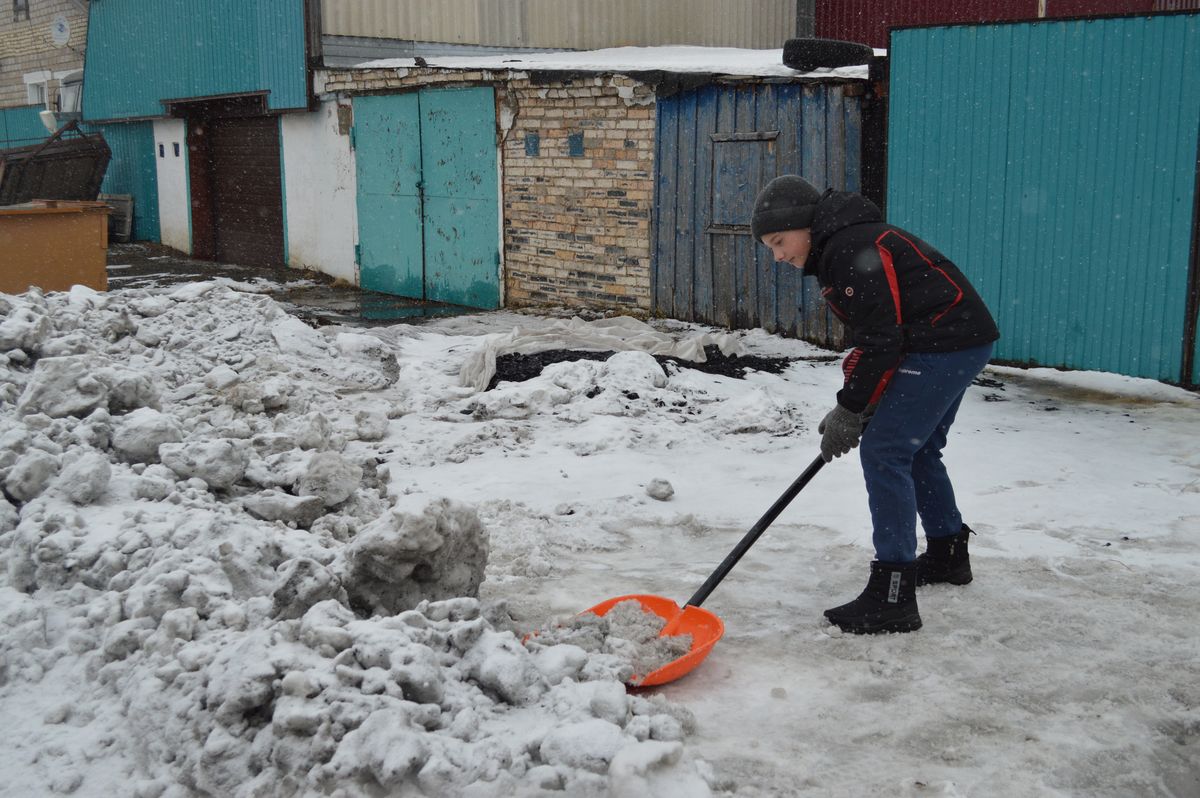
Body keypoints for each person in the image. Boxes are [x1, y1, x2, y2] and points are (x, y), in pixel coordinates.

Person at [750, 175, 999, 635]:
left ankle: (892, 597)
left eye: (779, 241)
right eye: (770, 248)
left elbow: (883, 340)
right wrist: (856, 403)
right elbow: (878, 338)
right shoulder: (849, 241)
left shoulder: (847, 248)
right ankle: (947, 556)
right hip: (959, 340)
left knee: (886, 451)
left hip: (942, 344)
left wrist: (852, 408)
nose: (779, 256)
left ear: (803, 225)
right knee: (916, 448)